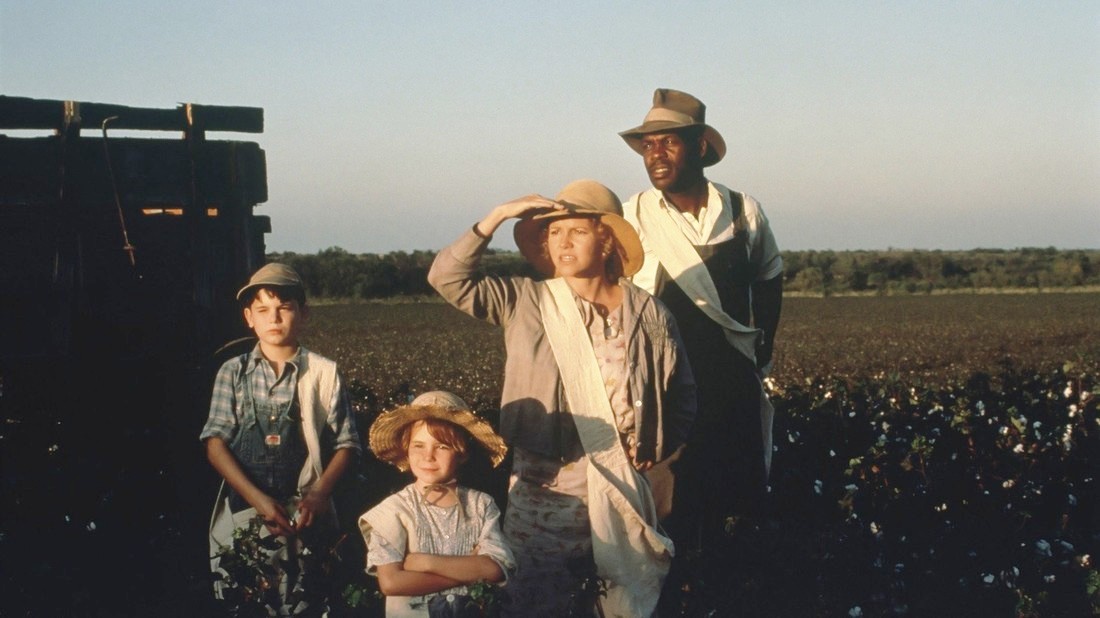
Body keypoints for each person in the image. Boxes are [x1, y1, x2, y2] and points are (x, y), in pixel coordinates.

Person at [428, 179, 696, 617]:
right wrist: (496, 215)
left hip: (624, 490)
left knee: (623, 603)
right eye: (553, 233)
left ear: (606, 241)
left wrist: (666, 464)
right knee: (537, 603)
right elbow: (446, 277)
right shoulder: (525, 300)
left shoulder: (649, 312)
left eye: (577, 231)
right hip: (545, 495)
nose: (562, 242)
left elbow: (681, 394)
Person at [617, 88, 783, 551]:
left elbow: (770, 276)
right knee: (671, 497)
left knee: (738, 493)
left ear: (701, 148)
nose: (655, 155)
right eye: (649, 145)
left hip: (731, 376)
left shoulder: (743, 211)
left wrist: (762, 346)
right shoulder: (631, 215)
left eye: (668, 142)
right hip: (664, 380)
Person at [201, 262, 362, 616]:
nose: (274, 318)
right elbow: (215, 444)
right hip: (246, 511)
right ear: (249, 317)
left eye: (284, 308)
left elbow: (348, 443)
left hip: (304, 513)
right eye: (263, 310)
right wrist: (258, 500)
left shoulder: (323, 372)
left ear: (303, 314)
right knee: (248, 597)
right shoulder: (233, 372)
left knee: (305, 599)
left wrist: (319, 493)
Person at [358, 390, 515, 617]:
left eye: (442, 446)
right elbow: (392, 582)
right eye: (418, 446)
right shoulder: (393, 511)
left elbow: (495, 569)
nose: (428, 456)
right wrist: (468, 570)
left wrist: (423, 562)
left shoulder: (480, 505)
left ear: (462, 453)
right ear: (406, 448)